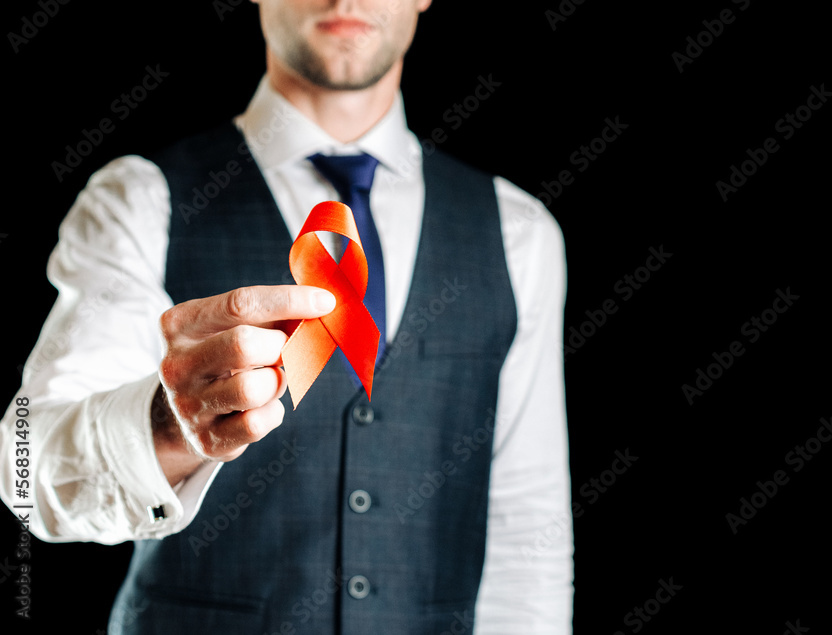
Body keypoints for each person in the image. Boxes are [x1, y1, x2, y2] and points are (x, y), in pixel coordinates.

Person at [0, 1, 573, 632]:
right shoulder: (139, 200)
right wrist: (167, 426)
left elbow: (529, 532)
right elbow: (26, 469)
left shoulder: (519, 233)